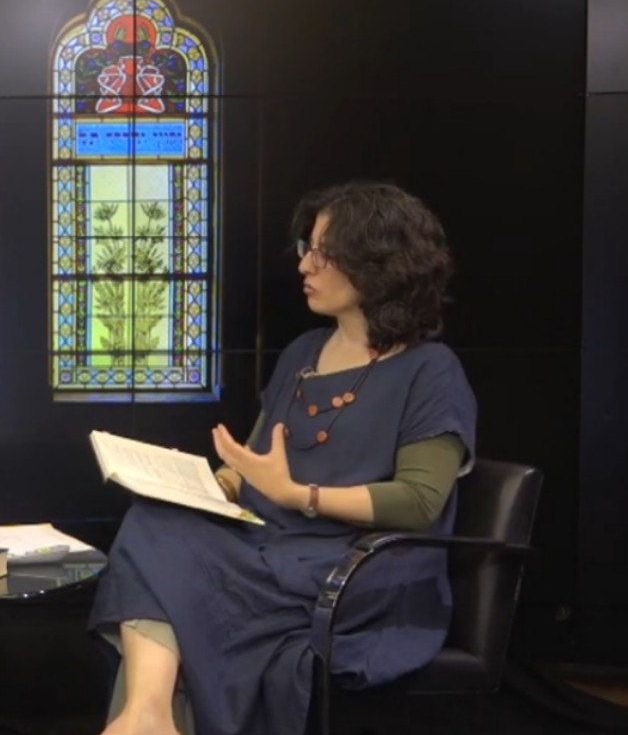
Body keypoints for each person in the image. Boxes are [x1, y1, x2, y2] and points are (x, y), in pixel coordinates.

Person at [90, 181, 478, 735]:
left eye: (324, 252)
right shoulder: (303, 353)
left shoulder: (431, 370)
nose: (305, 266)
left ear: (379, 264)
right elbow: (251, 464)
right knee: (153, 521)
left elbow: (419, 502)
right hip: (269, 544)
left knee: (173, 582)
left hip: (359, 567)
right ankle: (146, 715)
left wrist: (298, 495)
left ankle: (145, 721)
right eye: (307, 248)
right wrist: (201, 483)